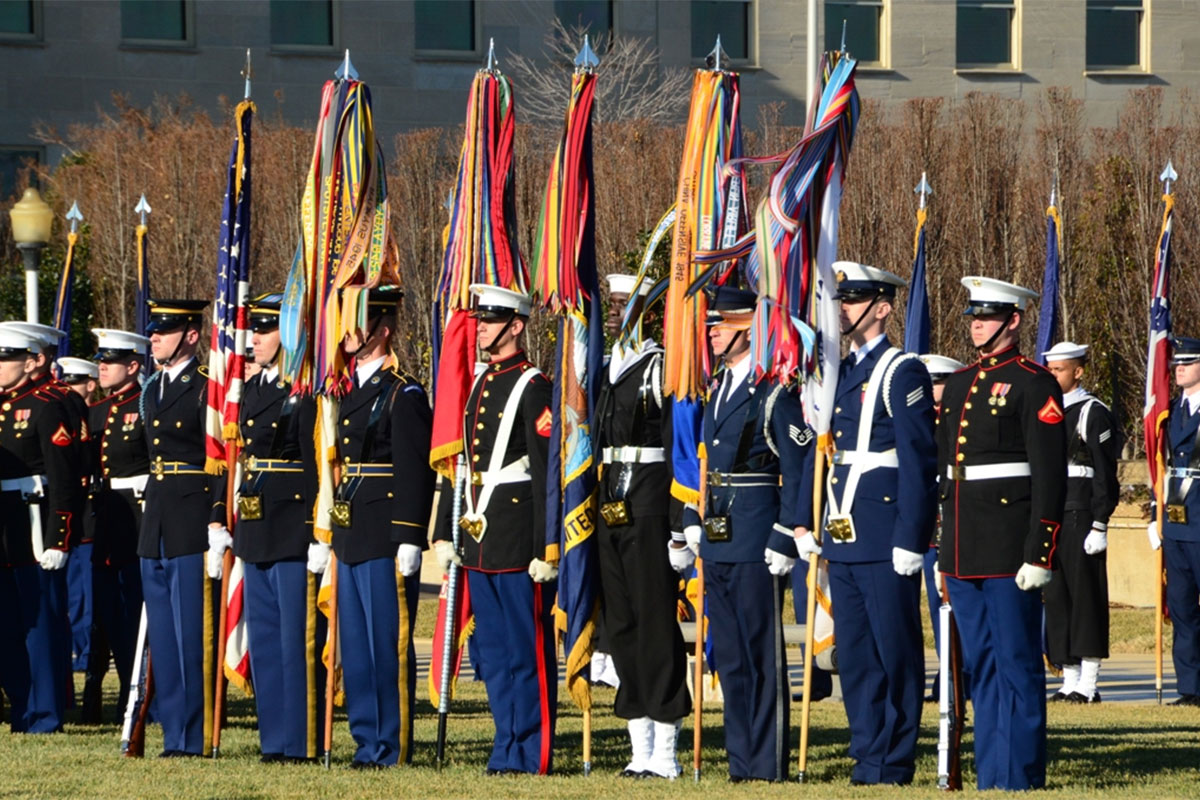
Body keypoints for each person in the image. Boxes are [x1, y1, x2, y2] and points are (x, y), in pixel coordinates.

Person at [792, 262, 937, 786]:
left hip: (883, 532)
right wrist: (805, 523)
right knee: (853, 656)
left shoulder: (903, 371)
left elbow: (920, 462)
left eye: (854, 300)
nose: (843, 308)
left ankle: (893, 760)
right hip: (843, 533)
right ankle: (867, 753)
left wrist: (910, 536)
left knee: (893, 651)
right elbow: (822, 449)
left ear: (882, 306)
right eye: (841, 300)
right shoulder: (838, 372)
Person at [936, 276, 1066, 791]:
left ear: (1014, 320)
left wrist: (1041, 549)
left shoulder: (1035, 383)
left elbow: (1049, 475)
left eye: (988, 315)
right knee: (981, 668)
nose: (978, 324)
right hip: (964, 547)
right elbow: (947, 473)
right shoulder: (962, 382)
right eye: (973, 315)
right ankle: (992, 773)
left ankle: (1020, 774)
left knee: (1016, 664)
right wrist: (943, 547)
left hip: (1011, 548)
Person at [681, 285, 809, 783]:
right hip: (718, 538)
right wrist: (692, 519)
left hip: (757, 538)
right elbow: (706, 465)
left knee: (759, 654)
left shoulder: (774, 392)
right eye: (711, 324)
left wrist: (784, 534)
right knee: (730, 658)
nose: (711, 332)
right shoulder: (717, 389)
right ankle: (741, 761)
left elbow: (796, 469)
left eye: (721, 325)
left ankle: (765, 762)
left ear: (746, 329)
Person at [431, 284, 556, 776]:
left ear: (516, 326)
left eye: (490, 320)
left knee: (527, 653)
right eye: (480, 319)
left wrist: (547, 544)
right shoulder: (480, 384)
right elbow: (460, 466)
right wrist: (444, 529)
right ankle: (505, 744)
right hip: (479, 539)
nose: (479, 327)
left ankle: (531, 750)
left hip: (517, 537)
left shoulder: (534, 386)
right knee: (497, 654)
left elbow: (546, 474)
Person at [207, 294, 324, 762]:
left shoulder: (304, 389)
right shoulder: (251, 391)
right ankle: (273, 740)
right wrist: (221, 515)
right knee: (266, 639)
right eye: (252, 330)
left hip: (292, 525)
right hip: (255, 526)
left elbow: (315, 465)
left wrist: (318, 528)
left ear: (289, 334)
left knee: (295, 642)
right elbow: (233, 457)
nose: (253, 339)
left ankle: (299, 741)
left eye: (264, 330)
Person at [323, 287, 434, 769]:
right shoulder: (346, 388)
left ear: (383, 329)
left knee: (386, 642)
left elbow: (415, 469)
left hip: (385, 531)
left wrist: (410, 535)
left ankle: (391, 742)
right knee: (358, 644)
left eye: (359, 321)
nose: (348, 332)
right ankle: (365, 737)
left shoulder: (403, 391)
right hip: (350, 532)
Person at [595, 273, 690, 779]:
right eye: (610, 303)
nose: (612, 311)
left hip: (651, 504)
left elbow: (679, 450)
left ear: (646, 311)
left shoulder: (660, 367)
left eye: (621, 303)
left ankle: (667, 746)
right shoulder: (607, 366)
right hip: (610, 503)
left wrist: (678, 527)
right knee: (622, 624)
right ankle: (639, 744)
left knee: (656, 624)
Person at [139, 298, 222, 757]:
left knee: (191, 635)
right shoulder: (152, 388)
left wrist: (216, 518)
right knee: (165, 642)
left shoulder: (208, 385)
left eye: (163, 330)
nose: (153, 337)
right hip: (156, 522)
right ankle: (172, 731)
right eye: (153, 330)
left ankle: (191, 736)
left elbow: (220, 459)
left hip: (192, 520)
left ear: (191, 335)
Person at [0, 325, 81, 733]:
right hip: (4, 528)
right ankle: (20, 709)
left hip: (34, 522)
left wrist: (59, 536)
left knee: (41, 627)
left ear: (32, 361)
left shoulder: (47, 405)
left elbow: (63, 476)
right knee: (8, 626)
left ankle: (45, 714)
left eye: (5, 357)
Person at [1042, 342, 1119, 704]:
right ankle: (1068, 678)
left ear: (1079, 371)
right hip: (1053, 515)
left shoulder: (1092, 412)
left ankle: (1088, 683)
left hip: (1081, 514)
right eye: (1050, 369)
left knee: (1086, 598)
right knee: (1056, 598)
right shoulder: (1046, 412)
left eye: (1060, 369)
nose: (1053, 375)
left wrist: (1100, 523)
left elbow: (1106, 474)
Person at [81, 330, 151, 723]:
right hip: (107, 515)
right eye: (100, 359)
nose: (102, 366)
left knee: (137, 612)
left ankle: (140, 696)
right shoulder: (97, 411)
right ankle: (119, 694)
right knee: (109, 613)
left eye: (111, 360)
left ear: (134, 366)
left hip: (139, 515)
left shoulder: (145, 404)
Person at [1147, 336, 1200, 706]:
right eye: (1176, 363)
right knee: (1182, 610)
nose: (1178, 368)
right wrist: (1155, 513)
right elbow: (1162, 467)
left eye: (1188, 362)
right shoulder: (1169, 410)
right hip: (1177, 523)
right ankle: (1190, 687)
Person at [918, 353, 966, 702]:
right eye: (928, 382)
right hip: (924, 530)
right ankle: (945, 674)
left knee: (955, 607)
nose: (932, 389)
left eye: (938, 382)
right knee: (935, 610)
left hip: (954, 526)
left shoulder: (960, 421)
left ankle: (956, 676)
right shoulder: (916, 418)